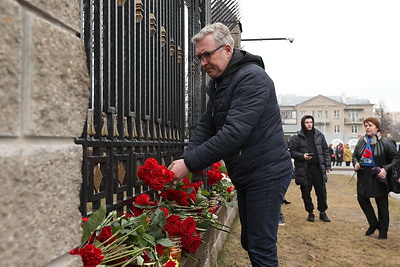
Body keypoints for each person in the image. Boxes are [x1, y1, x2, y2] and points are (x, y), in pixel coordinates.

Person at [168, 22, 292, 266]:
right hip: (250, 173)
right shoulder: (221, 82)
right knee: (251, 242)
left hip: (266, 173)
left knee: (261, 246)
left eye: (207, 55)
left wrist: (189, 163)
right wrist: (187, 157)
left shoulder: (252, 79)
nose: (203, 63)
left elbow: (233, 133)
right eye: (199, 57)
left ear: (227, 49)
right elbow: (207, 125)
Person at [352, 117, 397, 239]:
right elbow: (355, 155)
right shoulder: (362, 141)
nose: (367, 127)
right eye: (366, 125)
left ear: (377, 128)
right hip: (363, 176)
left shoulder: (385, 142)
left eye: (370, 125)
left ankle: (383, 231)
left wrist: (385, 169)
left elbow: (396, 159)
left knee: (381, 204)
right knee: (362, 199)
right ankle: (373, 224)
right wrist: (355, 163)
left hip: (378, 177)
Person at [288, 115, 331, 223]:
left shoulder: (319, 135)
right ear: (303, 123)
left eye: (311, 122)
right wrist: (302, 156)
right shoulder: (297, 137)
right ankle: (310, 212)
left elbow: (326, 151)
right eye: (307, 122)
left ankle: (322, 212)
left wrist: (328, 166)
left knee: (321, 192)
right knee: (306, 192)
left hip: (317, 168)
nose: (309, 124)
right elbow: (291, 152)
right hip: (304, 169)